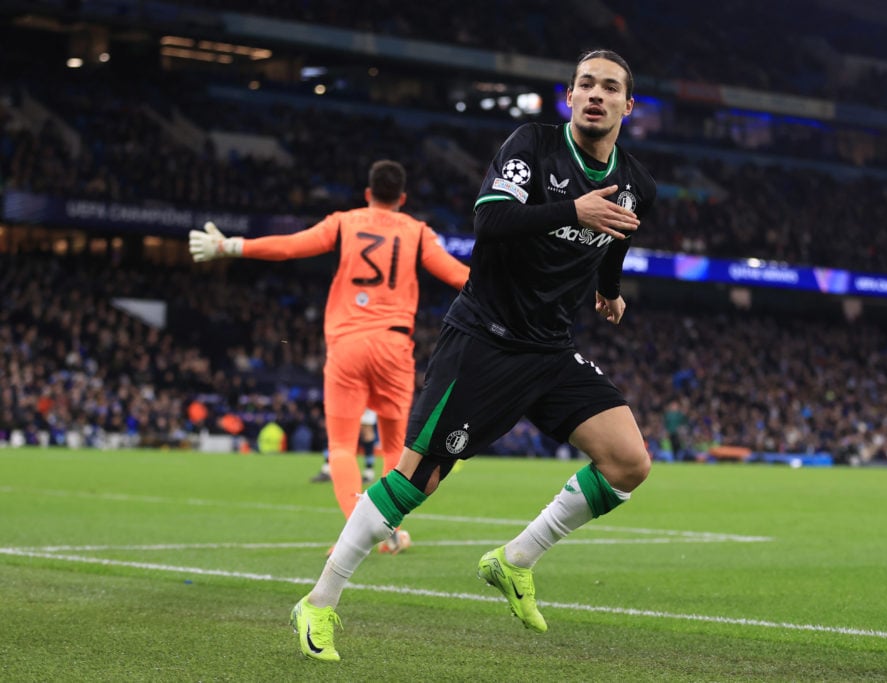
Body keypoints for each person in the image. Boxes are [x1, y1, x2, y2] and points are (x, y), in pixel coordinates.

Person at [289, 49, 656, 662]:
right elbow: (491, 223)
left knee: (627, 463)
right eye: (586, 84)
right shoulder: (532, 145)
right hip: (484, 340)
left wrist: (610, 291)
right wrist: (573, 209)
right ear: (569, 96)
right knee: (414, 481)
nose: (596, 94)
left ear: (627, 104)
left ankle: (514, 561)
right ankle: (318, 604)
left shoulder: (637, 183)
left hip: (550, 349)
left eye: (610, 87)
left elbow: (616, 235)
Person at [189, 159, 469, 554]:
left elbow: (289, 247)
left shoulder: (345, 221)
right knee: (394, 447)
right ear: (402, 198)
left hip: (347, 344)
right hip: (393, 346)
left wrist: (230, 245)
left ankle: (356, 533)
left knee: (341, 447)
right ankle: (386, 530)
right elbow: (460, 277)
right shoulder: (417, 232)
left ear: (368, 193)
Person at [310, 409, 378, 485]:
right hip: (342, 398)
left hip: (366, 400)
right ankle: (327, 469)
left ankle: (369, 472)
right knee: (332, 427)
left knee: (366, 431)